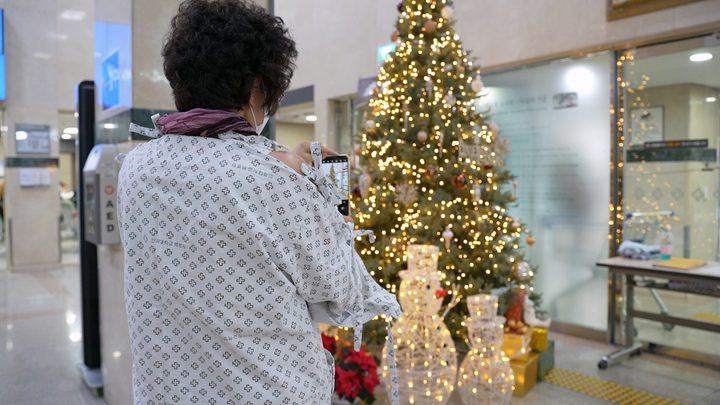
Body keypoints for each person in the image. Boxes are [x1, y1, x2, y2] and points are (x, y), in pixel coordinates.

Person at [116, 1, 402, 404]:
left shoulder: (136, 168)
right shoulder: (276, 180)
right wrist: (325, 195)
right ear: (256, 88)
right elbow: (343, 291)